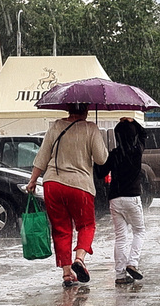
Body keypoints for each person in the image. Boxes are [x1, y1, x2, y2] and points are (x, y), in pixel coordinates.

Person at [27, 104, 108, 286]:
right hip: (79, 186)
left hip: (53, 184)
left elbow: (42, 156)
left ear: (68, 109)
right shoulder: (90, 128)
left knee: (61, 229)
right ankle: (79, 259)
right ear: (86, 111)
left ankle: (66, 273)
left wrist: (33, 180)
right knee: (86, 225)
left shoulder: (55, 126)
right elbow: (101, 159)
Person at [105, 117, 147, 284]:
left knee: (121, 237)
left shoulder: (114, 154)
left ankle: (120, 275)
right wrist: (133, 121)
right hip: (132, 197)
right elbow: (144, 134)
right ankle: (132, 263)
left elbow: (100, 172)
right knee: (139, 231)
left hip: (115, 198)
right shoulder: (137, 151)